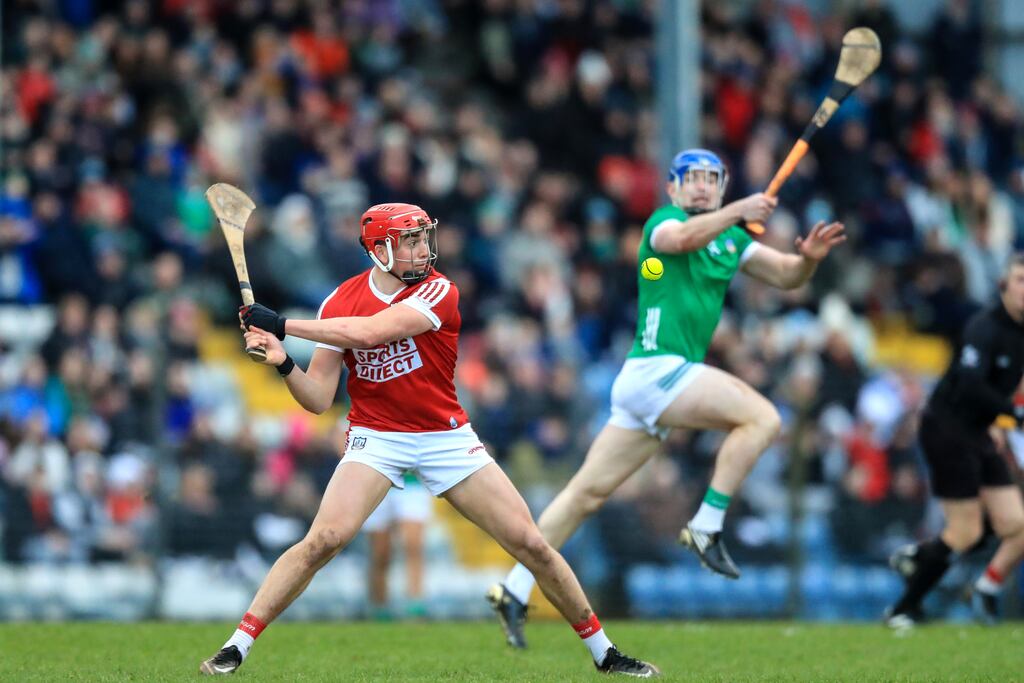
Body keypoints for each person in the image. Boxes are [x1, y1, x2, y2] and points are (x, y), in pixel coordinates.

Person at [198, 203, 658, 677]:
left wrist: (283, 326)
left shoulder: (440, 290)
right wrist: (281, 361)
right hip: (376, 436)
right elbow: (317, 398)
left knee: (532, 544)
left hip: (444, 436)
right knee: (324, 540)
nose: (423, 249)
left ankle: (605, 652)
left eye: (423, 238)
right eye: (410, 241)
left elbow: (373, 331)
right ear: (380, 251)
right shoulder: (338, 303)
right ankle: (238, 645)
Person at [489, 149, 846, 648]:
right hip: (660, 370)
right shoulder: (664, 222)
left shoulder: (730, 239)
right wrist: (738, 211)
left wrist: (807, 260)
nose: (701, 187)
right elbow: (682, 239)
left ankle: (514, 587)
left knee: (584, 495)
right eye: (691, 179)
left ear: (721, 188)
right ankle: (706, 525)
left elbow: (786, 276)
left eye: (711, 180)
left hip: (651, 383)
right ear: (673, 190)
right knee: (763, 417)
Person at [885, 255, 1024, 628]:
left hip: (980, 431)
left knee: (1017, 525)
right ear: (1003, 286)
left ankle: (972, 583)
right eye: (1020, 280)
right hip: (947, 428)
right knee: (966, 531)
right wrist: (1013, 413)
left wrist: (1003, 418)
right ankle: (902, 609)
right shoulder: (985, 327)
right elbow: (970, 383)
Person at [362, 474, 431, 620]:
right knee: (381, 552)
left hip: (412, 483)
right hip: (376, 480)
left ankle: (415, 604)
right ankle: (379, 606)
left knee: (413, 545)